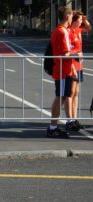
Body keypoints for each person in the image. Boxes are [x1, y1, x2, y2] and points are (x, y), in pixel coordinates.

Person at [47, 6, 73, 138]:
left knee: (62, 96)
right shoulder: (62, 32)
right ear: (67, 16)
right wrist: (76, 54)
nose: (72, 18)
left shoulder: (59, 30)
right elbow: (65, 53)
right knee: (60, 97)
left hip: (63, 70)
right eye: (71, 15)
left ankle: (53, 126)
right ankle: (52, 127)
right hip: (62, 70)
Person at [68, 11, 91, 130]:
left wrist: (85, 19)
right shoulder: (69, 32)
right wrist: (76, 54)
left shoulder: (78, 30)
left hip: (79, 65)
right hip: (72, 65)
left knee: (76, 93)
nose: (81, 22)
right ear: (75, 21)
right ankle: (70, 119)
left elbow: (89, 28)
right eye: (80, 20)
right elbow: (67, 52)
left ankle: (75, 118)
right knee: (71, 93)